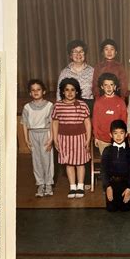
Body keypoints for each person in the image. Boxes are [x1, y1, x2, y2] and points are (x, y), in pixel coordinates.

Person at [57, 39, 94, 190]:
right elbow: (60, 95)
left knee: (84, 143)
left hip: (87, 107)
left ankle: (84, 180)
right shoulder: (65, 72)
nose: (78, 54)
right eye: (75, 52)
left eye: (81, 51)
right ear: (70, 55)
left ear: (85, 54)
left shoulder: (92, 71)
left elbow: (97, 92)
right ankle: (73, 181)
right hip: (68, 108)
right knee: (72, 143)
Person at [51, 78, 91, 199]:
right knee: (69, 163)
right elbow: (55, 123)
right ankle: (72, 186)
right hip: (64, 139)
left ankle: (80, 186)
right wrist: (55, 139)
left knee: (80, 163)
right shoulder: (57, 105)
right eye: (66, 90)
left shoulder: (82, 105)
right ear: (62, 92)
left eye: (72, 90)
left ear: (77, 92)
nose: (70, 93)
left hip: (79, 138)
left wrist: (88, 139)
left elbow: (87, 123)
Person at [20, 79, 54, 197]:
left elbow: (53, 123)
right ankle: (40, 184)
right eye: (33, 90)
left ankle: (48, 184)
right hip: (33, 134)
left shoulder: (50, 105)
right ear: (30, 93)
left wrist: (51, 139)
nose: (36, 92)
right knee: (36, 160)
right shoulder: (27, 107)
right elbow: (24, 124)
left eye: (38, 89)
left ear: (43, 91)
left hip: (46, 134)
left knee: (47, 160)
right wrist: (26, 139)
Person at [101, 120, 130, 212]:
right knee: (111, 209)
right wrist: (107, 187)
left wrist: (129, 188)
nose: (119, 136)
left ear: (126, 134)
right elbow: (103, 170)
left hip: (125, 184)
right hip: (112, 184)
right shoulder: (107, 150)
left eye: (121, 133)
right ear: (110, 135)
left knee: (125, 209)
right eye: (115, 133)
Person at [92, 73, 127, 155]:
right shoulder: (98, 102)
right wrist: (96, 137)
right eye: (106, 85)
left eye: (111, 85)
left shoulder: (120, 102)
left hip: (118, 138)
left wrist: (124, 135)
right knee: (106, 163)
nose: (108, 87)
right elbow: (95, 121)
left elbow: (124, 120)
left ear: (115, 87)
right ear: (102, 87)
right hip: (102, 139)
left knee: (117, 162)